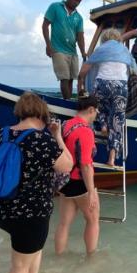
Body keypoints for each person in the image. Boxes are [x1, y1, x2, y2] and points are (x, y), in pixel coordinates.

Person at [0, 92, 72, 273]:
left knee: (31, 250)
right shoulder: (41, 139)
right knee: (19, 266)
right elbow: (67, 165)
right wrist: (58, 136)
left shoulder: (1, 134)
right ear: (42, 114)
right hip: (30, 214)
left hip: (1, 208)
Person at [77, 28, 137, 166]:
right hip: (120, 86)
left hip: (102, 83)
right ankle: (111, 158)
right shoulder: (124, 51)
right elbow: (134, 71)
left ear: (104, 39)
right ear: (118, 38)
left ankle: (103, 125)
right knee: (117, 121)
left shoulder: (100, 49)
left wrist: (80, 85)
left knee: (99, 107)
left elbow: (83, 72)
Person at [54, 95, 100, 256]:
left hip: (64, 182)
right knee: (93, 221)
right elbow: (86, 165)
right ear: (91, 110)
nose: (96, 115)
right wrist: (92, 192)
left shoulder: (65, 125)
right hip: (80, 183)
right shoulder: (85, 131)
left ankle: (58, 257)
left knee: (64, 224)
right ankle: (91, 259)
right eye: (96, 112)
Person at [42, 0, 87, 99]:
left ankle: (67, 102)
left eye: (79, 1)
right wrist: (48, 45)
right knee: (64, 78)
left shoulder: (79, 17)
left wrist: (83, 52)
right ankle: (67, 102)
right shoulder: (55, 7)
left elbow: (80, 37)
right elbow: (45, 25)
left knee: (71, 79)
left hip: (72, 51)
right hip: (57, 49)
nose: (77, 2)